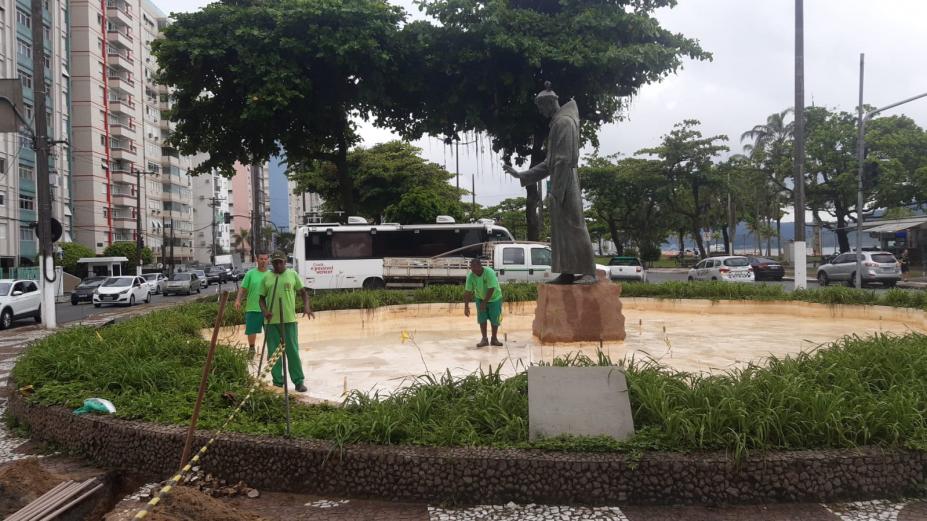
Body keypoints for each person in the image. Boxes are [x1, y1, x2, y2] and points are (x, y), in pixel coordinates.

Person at [503, 81, 597, 284]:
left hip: (566, 181)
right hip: (559, 178)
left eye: (540, 107)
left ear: (549, 103)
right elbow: (549, 163)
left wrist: (556, 192)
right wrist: (522, 175)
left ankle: (589, 271)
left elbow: (563, 161)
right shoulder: (557, 123)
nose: (540, 111)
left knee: (574, 225)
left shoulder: (563, 122)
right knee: (561, 229)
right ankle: (568, 271)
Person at [259, 251, 314, 393]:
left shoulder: (292, 274)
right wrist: (265, 312)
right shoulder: (266, 277)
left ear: (285, 262)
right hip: (271, 322)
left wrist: (306, 306)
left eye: (280, 262)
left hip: (289, 320)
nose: (278, 265)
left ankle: (298, 381)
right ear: (272, 263)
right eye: (275, 262)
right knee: (274, 353)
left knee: (292, 351)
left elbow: (303, 292)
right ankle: (277, 382)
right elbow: (261, 299)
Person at [234, 252, 270, 356]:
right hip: (252, 308)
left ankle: (271, 350)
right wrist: (238, 300)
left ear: (268, 260)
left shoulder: (271, 274)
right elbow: (243, 289)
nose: (263, 261)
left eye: (265, 259)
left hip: (268, 309)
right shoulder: (250, 274)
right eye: (261, 259)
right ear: (257, 260)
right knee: (251, 331)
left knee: (270, 332)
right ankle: (251, 349)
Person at [463, 258, 503, 347]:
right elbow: (467, 292)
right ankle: (484, 339)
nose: (474, 271)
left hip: (495, 298)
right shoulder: (471, 276)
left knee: (495, 319)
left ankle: (494, 339)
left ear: (480, 266)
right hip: (480, 298)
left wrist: (485, 303)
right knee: (482, 319)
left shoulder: (489, 272)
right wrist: (466, 306)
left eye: (475, 269)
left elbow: (491, 288)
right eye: (472, 269)